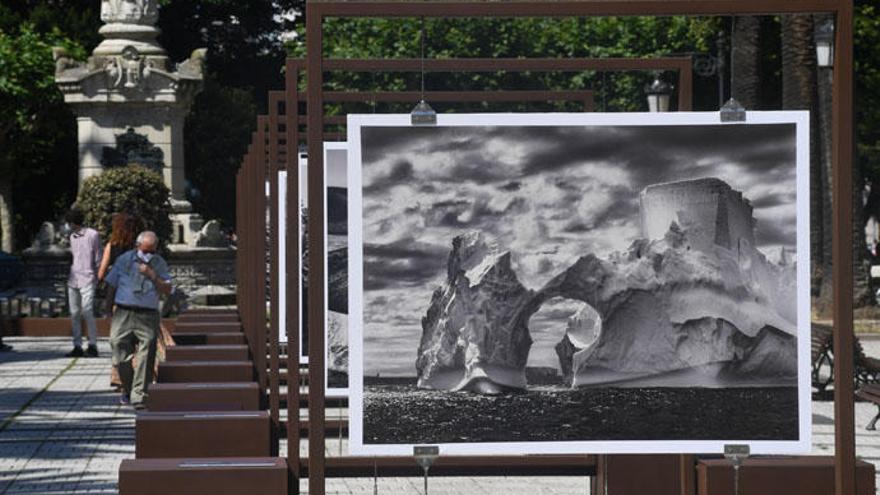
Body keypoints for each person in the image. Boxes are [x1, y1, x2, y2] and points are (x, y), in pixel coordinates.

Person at [104, 230, 172, 408]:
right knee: (118, 350)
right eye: (145, 250)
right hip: (124, 312)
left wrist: (152, 274)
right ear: (137, 246)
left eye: (152, 251)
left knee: (146, 355)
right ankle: (129, 387)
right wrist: (107, 309)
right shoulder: (124, 260)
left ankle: (139, 396)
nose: (148, 254)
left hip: (147, 314)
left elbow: (167, 289)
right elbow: (112, 284)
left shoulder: (159, 263)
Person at [98, 213, 141, 389]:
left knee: (120, 341)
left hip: (119, 300)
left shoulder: (112, 246)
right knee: (138, 341)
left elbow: (101, 274)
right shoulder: (140, 249)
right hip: (140, 299)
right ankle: (139, 376)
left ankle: (120, 378)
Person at [65, 207, 102, 358]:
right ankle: (77, 345)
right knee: (74, 313)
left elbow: (98, 256)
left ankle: (92, 344)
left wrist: (99, 276)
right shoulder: (72, 237)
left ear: (74, 222)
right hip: (74, 278)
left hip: (88, 277)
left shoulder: (93, 235)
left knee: (87, 311)